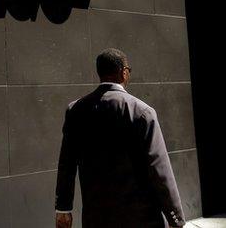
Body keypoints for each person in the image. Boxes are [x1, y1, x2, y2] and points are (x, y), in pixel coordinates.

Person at [54, 48, 184, 228]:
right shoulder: (142, 112)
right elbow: (159, 170)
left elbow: (67, 164)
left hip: (97, 217)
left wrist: (63, 208)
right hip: (140, 218)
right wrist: (175, 218)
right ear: (124, 73)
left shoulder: (75, 111)